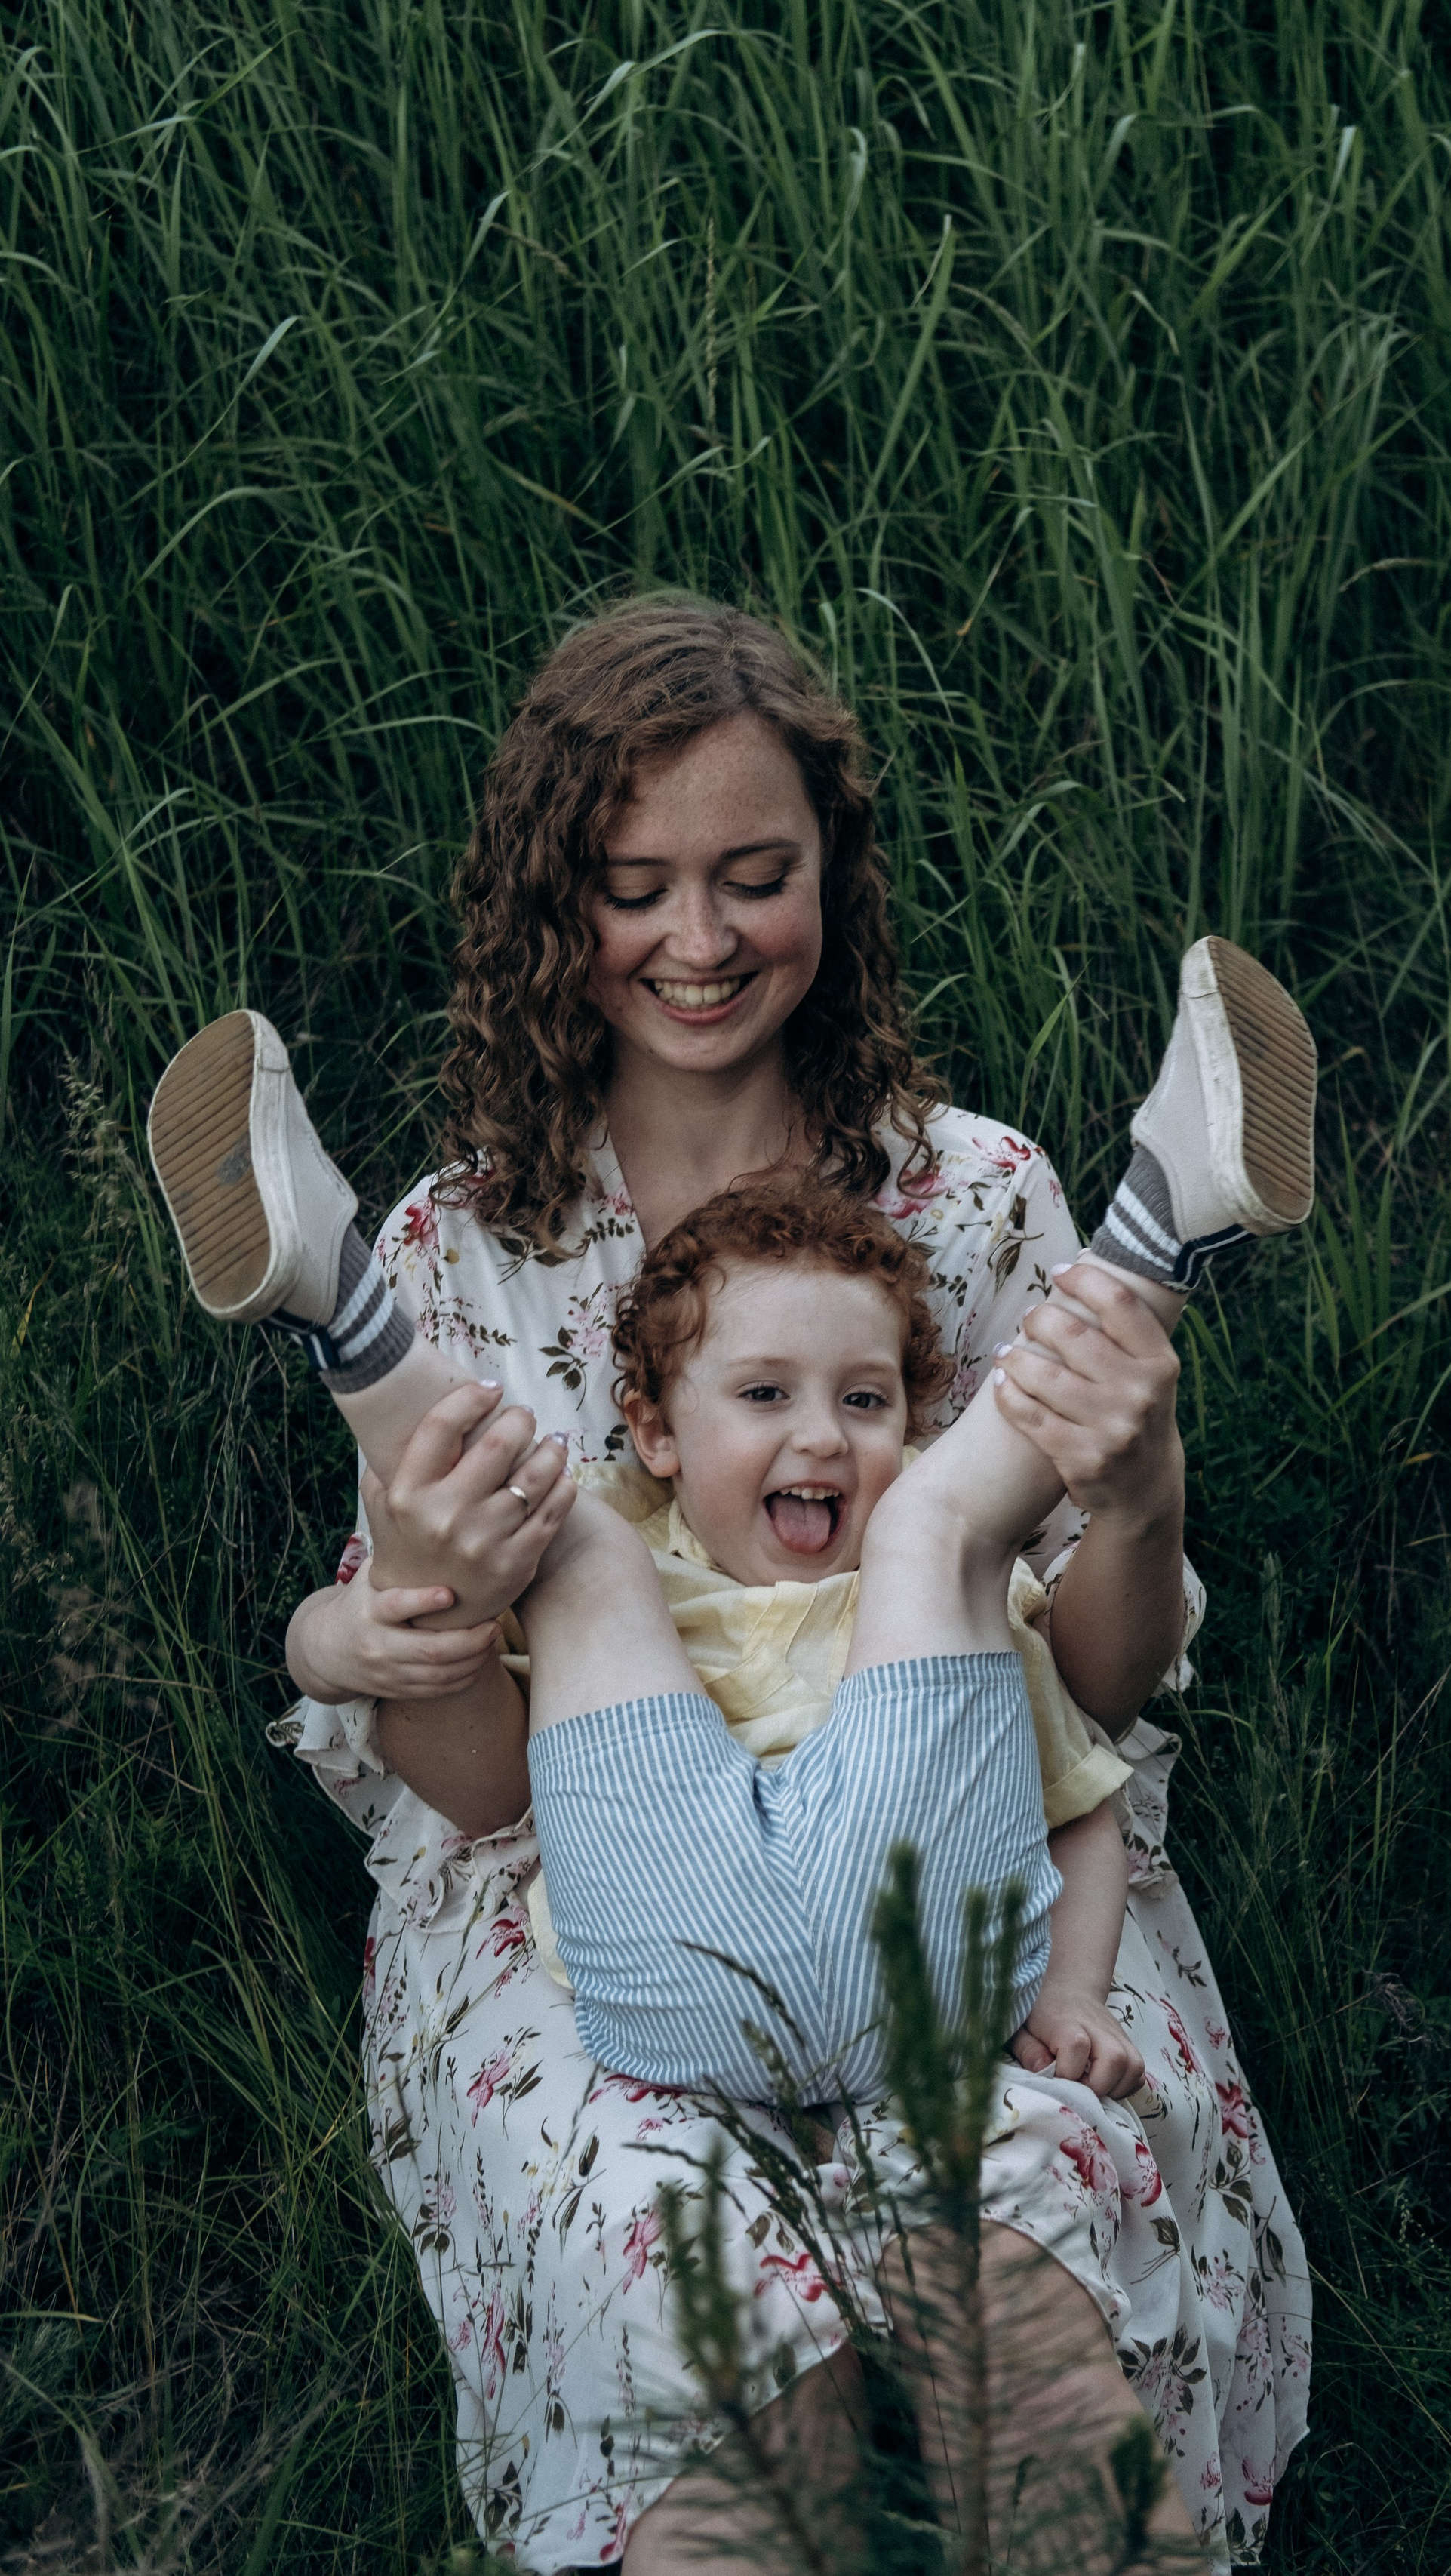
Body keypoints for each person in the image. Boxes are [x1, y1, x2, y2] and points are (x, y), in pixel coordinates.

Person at [218, 596, 1313, 2568]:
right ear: (553, 904)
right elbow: (475, 1791)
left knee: (1028, 2231)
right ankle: (1183, 1197)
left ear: (835, 876)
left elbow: (1105, 1687)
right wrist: (400, 1627)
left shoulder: (970, 1198)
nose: (702, 942)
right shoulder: (469, 1246)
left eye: (753, 877)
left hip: (943, 1824)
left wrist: (1139, 1498)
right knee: (679, 2305)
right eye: (635, 887)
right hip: (592, 1870)